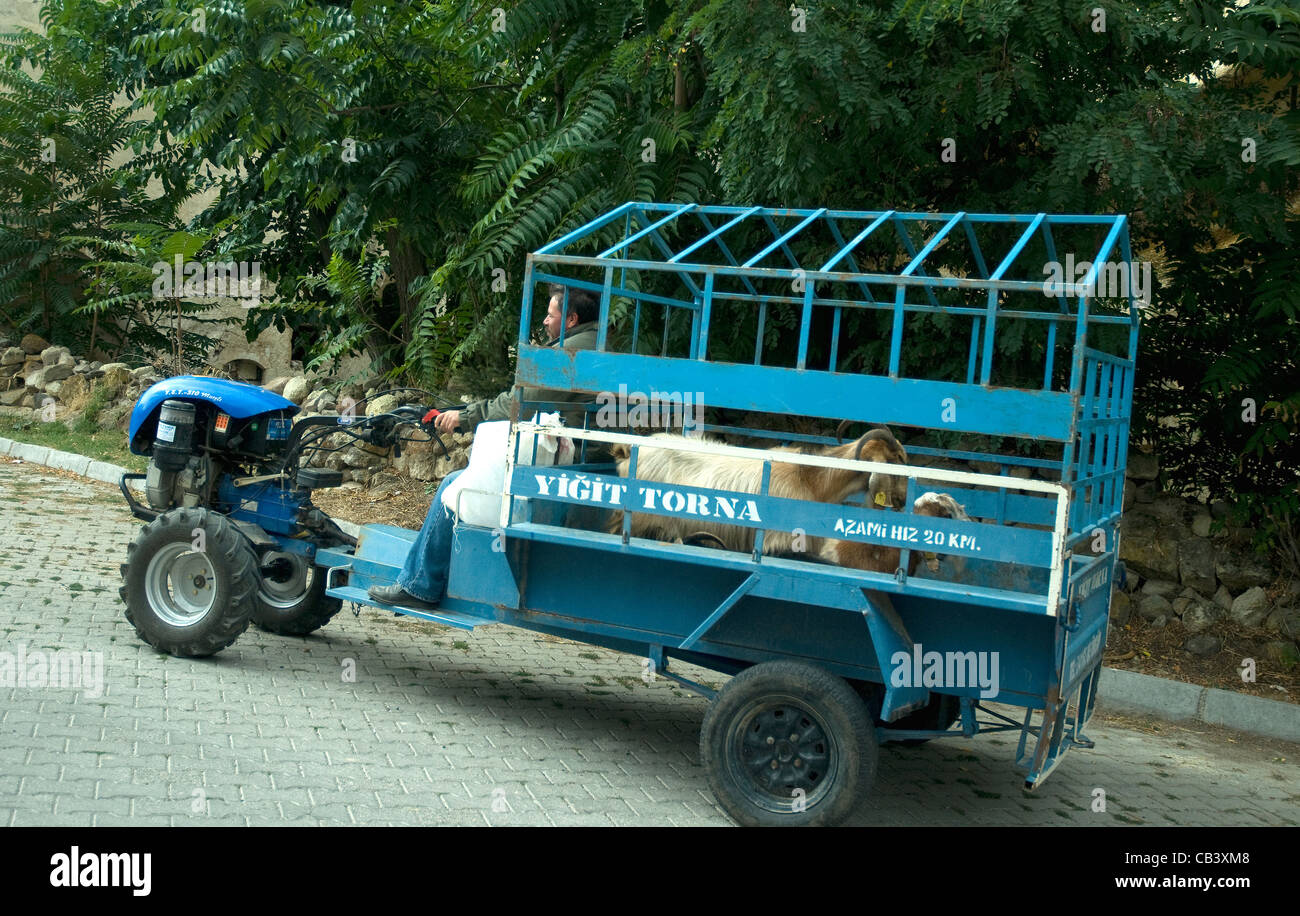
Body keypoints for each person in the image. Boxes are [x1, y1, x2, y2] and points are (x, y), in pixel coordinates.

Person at [368, 284, 601, 609]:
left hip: (567, 462)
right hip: (587, 458)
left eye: (551, 315)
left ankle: (419, 586)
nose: (545, 323)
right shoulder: (599, 345)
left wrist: (465, 416)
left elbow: (520, 402)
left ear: (572, 319)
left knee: (453, 484)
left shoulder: (570, 355)